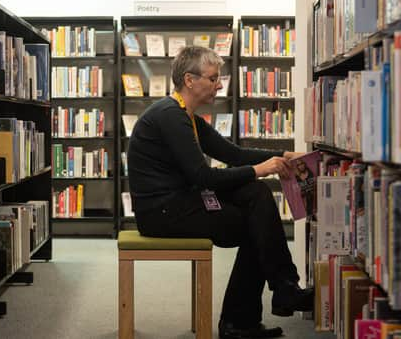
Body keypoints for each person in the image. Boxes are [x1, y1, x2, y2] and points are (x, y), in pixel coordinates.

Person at [127, 46, 313, 339]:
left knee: (256, 195)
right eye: (213, 78)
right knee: (256, 221)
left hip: (180, 202)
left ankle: (278, 293)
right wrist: (260, 169)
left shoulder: (186, 117)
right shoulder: (170, 116)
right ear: (190, 80)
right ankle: (248, 316)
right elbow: (203, 176)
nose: (220, 84)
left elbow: (233, 153)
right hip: (162, 213)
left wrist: (283, 154)